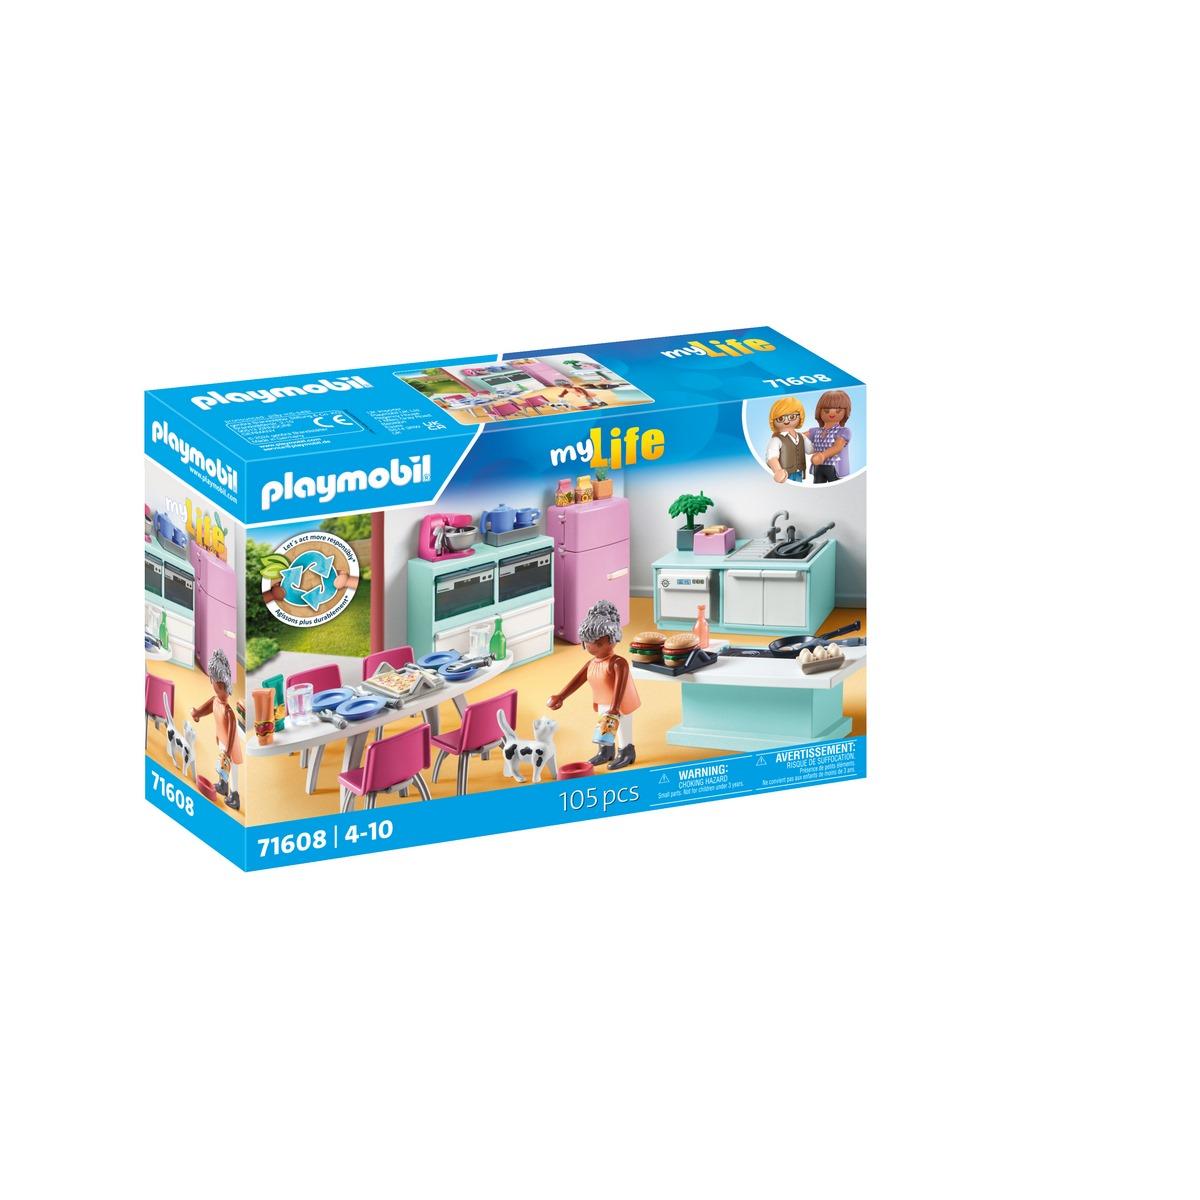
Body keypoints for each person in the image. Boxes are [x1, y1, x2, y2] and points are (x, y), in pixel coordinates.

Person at [547, 600, 640, 769]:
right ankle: (605, 751)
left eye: (598, 643)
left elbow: (620, 686)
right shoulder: (592, 663)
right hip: (603, 701)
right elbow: (578, 679)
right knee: (603, 727)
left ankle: (626, 752)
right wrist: (561, 696)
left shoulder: (618, 663)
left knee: (622, 728)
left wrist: (615, 707)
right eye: (587, 642)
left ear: (612, 640)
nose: (591, 647)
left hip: (621, 704)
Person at [191, 648, 244, 810]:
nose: (211, 682)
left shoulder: (228, 712)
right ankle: (223, 784)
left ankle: (234, 795)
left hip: (230, 747)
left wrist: (228, 751)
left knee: (232, 769)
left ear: (219, 684)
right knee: (222, 765)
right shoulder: (216, 701)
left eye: (212, 680)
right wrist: (197, 713)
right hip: (222, 741)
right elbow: (208, 708)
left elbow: (233, 732)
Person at [807, 390, 852, 483]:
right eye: (826, 410)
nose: (832, 413)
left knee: (836, 487)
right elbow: (799, 437)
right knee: (818, 486)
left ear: (845, 412)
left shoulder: (843, 431)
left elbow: (837, 447)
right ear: (819, 411)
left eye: (838, 410)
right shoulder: (815, 431)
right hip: (819, 467)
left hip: (835, 468)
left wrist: (823, 456)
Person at [765, 397, 812, 483]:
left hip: (799, 473)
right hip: (785, 475)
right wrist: (778, 470)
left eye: (792, 417)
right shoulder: (776, 439)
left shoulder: (801, 436)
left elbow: (810, 450)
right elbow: (771, 457)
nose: (786, 421)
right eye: (781, 418)